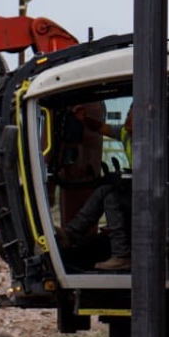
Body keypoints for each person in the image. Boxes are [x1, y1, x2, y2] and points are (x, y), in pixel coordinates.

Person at [59, 111, 133, 270]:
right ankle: (70, 234)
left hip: (152, 197)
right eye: (127, 115)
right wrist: (84, 119)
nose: (127, 120)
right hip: (137, 190)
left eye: (131, 116)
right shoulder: (125, 133)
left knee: (112, 199)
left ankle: (122, 255)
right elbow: (101, 128)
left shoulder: (153, 139)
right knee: (103, 190)